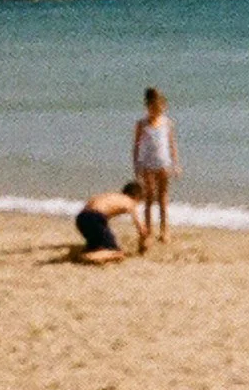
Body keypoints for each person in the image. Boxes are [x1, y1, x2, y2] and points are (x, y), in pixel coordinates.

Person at [132, 87, 181, 244]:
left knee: (163, 197)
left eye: (159, 108)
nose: (156, 110)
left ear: (163, 107)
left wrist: (176, 164)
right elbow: (137, 146)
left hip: (163, 163)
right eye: (153, 107)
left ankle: (164, 230)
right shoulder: (142, 124)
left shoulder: (167, 123)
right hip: (147, 164)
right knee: (149, 197)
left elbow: (172, 145)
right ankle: (148, 231)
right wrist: (136, 165)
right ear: (147, 107)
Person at [73, 182, 148, 264]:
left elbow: (98, 213)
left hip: (81, 218)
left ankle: (92, 251)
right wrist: (142, 247)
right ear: (137, 196)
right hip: (94, 218)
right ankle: (83, 257)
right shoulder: (130, 201)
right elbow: (142, 230)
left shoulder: (112, 196)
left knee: (98, 245)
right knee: (117, 253)